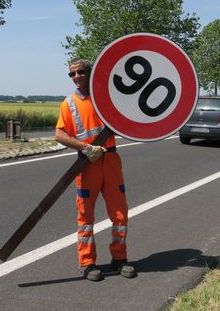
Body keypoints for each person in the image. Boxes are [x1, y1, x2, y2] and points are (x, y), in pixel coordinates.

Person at [55, 58, 137, 282]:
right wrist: (84, 147)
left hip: (110, 160)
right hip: (86, 164)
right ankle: (87, 263)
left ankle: (119, 258)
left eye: (80, 72)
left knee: (120, 214)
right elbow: (59, 134)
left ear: (91, 72)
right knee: (85, 217)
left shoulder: (106, 99)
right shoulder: (68, 103)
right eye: (71, 74)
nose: (76, 77)